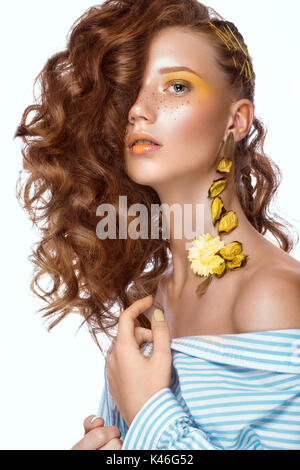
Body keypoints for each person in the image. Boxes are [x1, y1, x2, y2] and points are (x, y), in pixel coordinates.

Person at [15, 0, 300, 450]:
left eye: (177, 86)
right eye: (133, 89)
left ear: (236, 120)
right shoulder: (153, 300)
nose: (139, 110)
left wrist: (147, 411)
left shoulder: (272, 297)